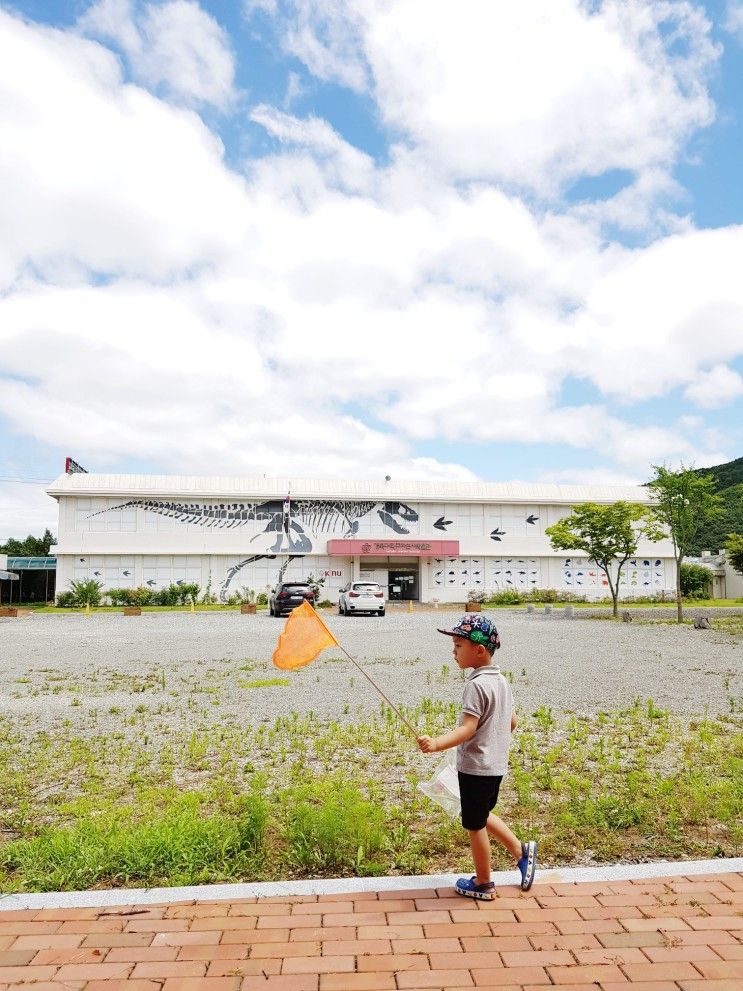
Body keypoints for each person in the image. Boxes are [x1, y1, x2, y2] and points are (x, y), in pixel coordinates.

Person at [417, 613, 537, 899]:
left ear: (479, 650)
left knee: (474, 825)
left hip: (475, 769)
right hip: (495, 767)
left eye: (458, 645)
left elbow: (468, 729)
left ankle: (483, 882)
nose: (453, 651)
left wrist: (436, 744)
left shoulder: (475, 685)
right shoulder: (502, 682)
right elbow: (512, 722)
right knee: (479, 814)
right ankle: (521, 851)